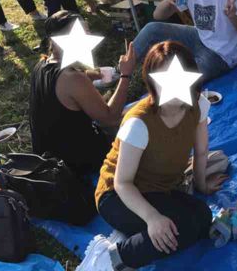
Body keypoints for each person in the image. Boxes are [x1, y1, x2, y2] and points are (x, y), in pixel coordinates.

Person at [79, 41, 226, 270]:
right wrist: (152, 218)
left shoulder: (198, 104)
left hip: (159, 188)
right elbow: (122, 182)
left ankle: (139, 235)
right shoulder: (139, 122)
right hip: (117, 196)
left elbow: (201, 151)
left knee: (203, 216)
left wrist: (202, 185)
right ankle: (114, 257)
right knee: (181, 228)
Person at [29, 11, 136, 174]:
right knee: (139, 112)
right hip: (78, 165)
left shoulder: (42, 65)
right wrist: (125, 75)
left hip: (48, 159)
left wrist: (93, 74)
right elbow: (110, 118)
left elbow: (65, 90)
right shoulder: (72, 78)